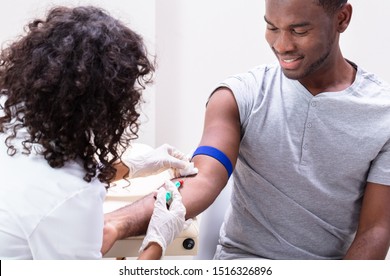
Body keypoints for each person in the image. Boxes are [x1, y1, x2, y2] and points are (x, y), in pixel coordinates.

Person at [103, 0, 390, 259]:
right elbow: (201, 179)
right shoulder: (238, 96)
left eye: (299, 31)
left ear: (342, 18)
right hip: (242, 265)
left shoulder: (382, 116)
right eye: (272, 27)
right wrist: (117, 222)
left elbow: (375, 231)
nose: (282, 44)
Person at [0, 5, 195, 260]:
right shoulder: (70, 197)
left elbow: (37, 170)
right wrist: (157, 242)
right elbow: (59, 195)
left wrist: (124, 167)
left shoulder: (9, 108)